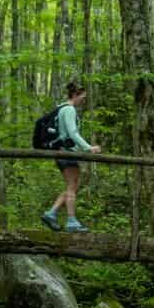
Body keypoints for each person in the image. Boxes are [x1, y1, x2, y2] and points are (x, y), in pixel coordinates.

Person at [40, 81, 102, 232]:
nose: (83, 100)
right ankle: (72, 221)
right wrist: (88, 148)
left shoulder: (62, 108)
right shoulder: (69, 110)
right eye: (82, 97)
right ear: (75, 95)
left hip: (64, 151)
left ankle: (51, 213)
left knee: (72, 186)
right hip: (65, 151)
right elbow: (73, 133)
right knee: (72, 186)